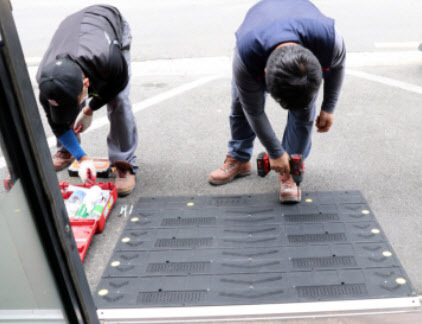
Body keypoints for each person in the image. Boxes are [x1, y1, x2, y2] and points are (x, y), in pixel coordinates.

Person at [209, 0, 346, 203]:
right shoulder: (247, 58)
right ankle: (239, 158)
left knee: (304, 113)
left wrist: (328, 107)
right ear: (264, 74)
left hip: (301, 30)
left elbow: (339, 66)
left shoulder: (329, 40)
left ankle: (289, 169)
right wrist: (274, 152)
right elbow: (253, 112)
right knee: (241, 104)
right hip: (257, 35)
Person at [36, 5, 138, 197]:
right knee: (64, 101)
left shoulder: (109, 60)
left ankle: (124, 162)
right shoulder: (45, 80)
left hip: (107, 23)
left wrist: (90, 108)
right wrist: (82, 158)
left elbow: (117, 85)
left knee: (119, 102)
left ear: (86, 84)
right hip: (71, 29)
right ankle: (67, 150)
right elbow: (56, 123)